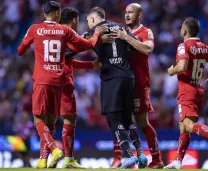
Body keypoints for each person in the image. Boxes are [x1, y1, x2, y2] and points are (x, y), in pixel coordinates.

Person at [17, 1, 106, 168]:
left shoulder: (35, 29)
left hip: (43, 79)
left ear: (44, 13)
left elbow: (20, 51)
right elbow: (83, 47)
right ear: (58, 14)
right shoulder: (65, 32)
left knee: (41, 119)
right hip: (59, 80)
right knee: (54, 120)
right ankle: (53, 156)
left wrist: (32, 46)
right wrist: (96, 35)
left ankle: (51, 153)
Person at [163, 17, 208, 169]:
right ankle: (178, 161)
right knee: (183, 127)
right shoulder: (205, 48)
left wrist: (171, 70)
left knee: (187, 125)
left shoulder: (183, 46)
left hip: (187, 90)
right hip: (198, 89)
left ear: (185, 30)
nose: (180, 29)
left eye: (181, 26)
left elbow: (182, 66)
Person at [83, 7, 147, 168]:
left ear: (92, 19)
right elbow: (137, 46)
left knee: (113, 117)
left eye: (87, 21)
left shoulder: (93, 32)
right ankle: (140, 154)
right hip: (128, 77)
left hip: (112, 77)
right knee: (127, 118)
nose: (88, 24)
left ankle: (127, 155)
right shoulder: (121, 28)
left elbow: (74, 46)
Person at [110, 3, 164, 168]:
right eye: (126, 12)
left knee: (142, 122)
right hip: (121, 83)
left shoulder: (144, 32)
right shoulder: (120, 31)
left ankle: (157, 159)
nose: (127, 15)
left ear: (139, 15)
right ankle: (120, 158)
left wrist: (126, 38)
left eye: (131, 12)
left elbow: (147, 49)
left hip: (139, 83)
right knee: (117, 118)